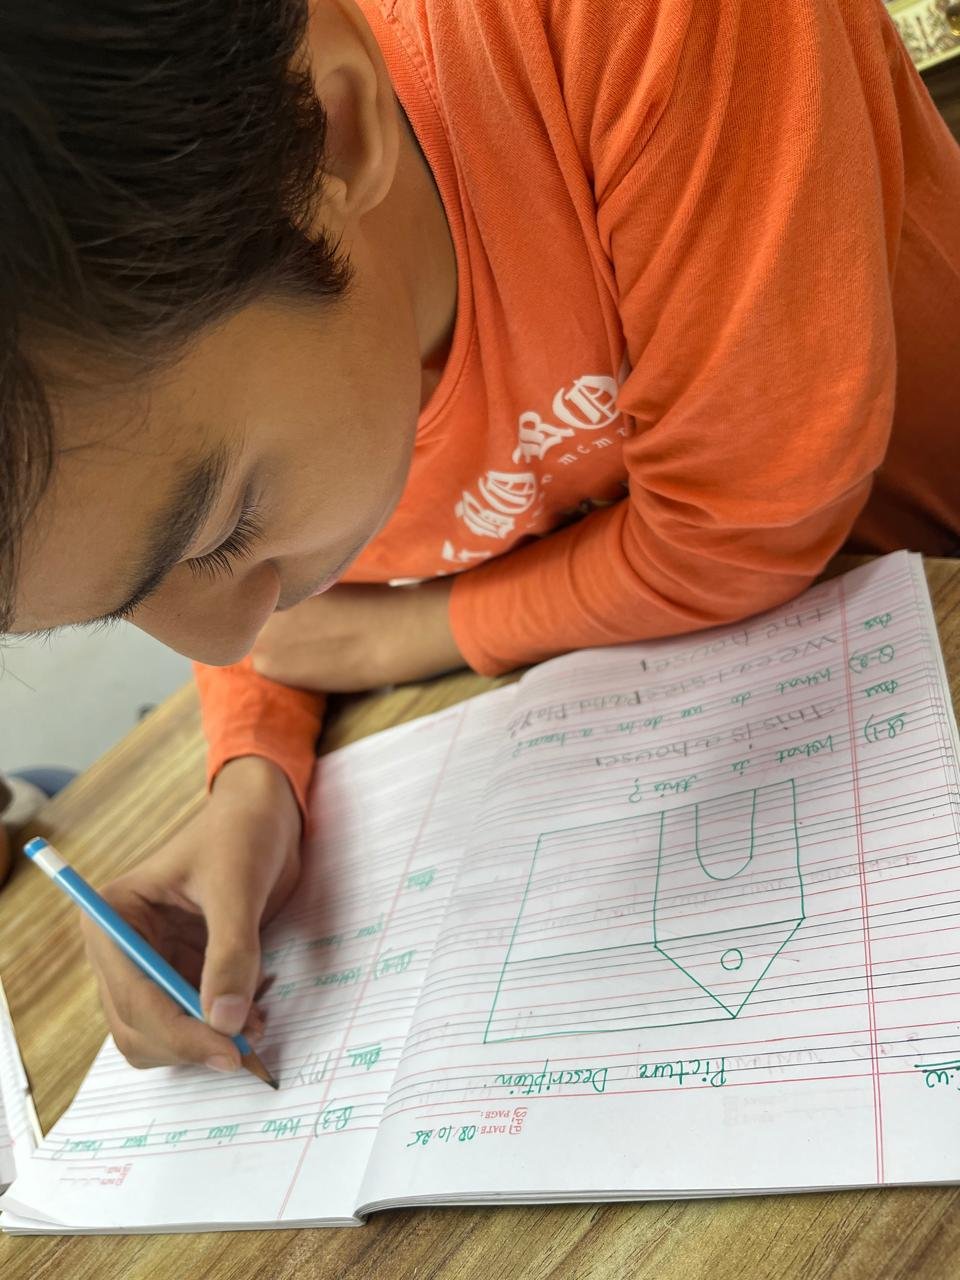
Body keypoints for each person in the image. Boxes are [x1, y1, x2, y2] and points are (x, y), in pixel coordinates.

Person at [1, 0, 958, 1076]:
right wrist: (252, 773)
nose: (223, 641)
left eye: (225, 530)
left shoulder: (624, 30)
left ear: (331, 130)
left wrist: (409, 633)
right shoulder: (247, 368)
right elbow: (246, 602)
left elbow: (748, 521)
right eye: (119, 606)